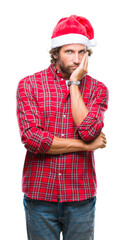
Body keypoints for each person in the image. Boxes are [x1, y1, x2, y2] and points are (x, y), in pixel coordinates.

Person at [16, 15, 109, 240]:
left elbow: (88, 131)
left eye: (82, 52)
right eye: (69, 52)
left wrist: (75, 83)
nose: (76, 59)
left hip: (80, 198)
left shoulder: (98, 89)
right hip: (40, 196)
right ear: (55, 53)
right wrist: (87, 146)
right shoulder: (29, 85)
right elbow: (32, 139)